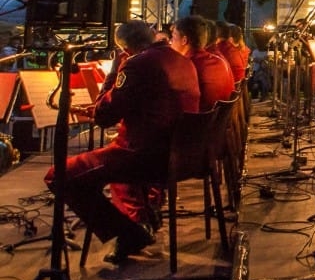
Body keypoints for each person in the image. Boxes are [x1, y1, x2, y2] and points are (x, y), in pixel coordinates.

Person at [45, 21, 200, 263]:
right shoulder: (182, 60)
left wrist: (114, 72)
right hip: (181, 154)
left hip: (146, 156)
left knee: (58, 176)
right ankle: (141, 219)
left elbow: (105, 116)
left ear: (126, 49)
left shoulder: (137, 63)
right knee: (109, 161)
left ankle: (130, 233)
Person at [171, 15, 235, 110]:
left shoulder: (185, 66)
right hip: (217, 121)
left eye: (173, 37)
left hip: (195, 122)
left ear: (184, 40)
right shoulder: (220, 62)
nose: (170, 42)